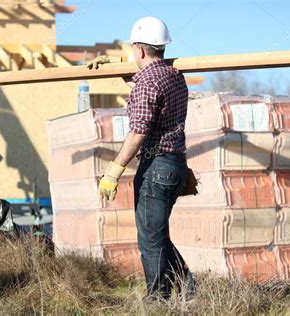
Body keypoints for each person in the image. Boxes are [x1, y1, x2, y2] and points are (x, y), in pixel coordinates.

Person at [89, 16, 196, 300]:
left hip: (156, 167)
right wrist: (116, 69)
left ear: (138, 50)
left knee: (150, 240)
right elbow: (149, 87)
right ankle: (189, 291)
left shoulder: (146, 83)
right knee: (157, 236)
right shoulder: (174, 75)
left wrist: (114, 170)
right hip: (176, 165)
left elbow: (138, 131)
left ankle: (158, 299)